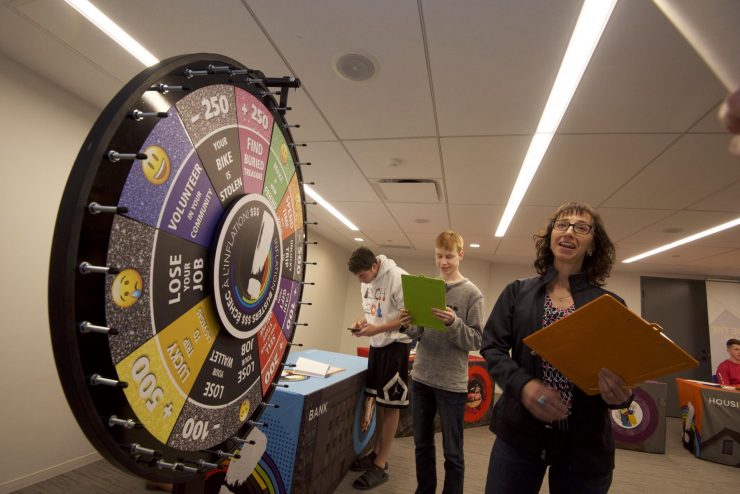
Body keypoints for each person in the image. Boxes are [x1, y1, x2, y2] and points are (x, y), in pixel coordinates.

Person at [481, 201, 633, 494]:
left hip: (584, 443)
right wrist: (524, 386)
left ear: (592, 245)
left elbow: (623, 369)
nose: (569, 232)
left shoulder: (610, 305)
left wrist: (622, 396)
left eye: (581, 227)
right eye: (561, 225)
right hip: (520, 435)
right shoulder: (518, 292)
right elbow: (492, 347)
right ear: (551, 238)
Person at [398, 230, 484, 494]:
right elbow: (419, 333)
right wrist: (407, 325)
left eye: (448, 256)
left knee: (453, 452)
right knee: (422, 445)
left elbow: (476, 340)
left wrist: (453, 322)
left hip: (451, 385)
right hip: (422, 378)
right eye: (439, 256)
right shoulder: (428, 288)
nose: (443, 262)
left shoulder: (472, 294)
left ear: (460, 255)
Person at [347, 246, 412, 490]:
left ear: (374, 266)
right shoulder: (365, 281)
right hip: (377, 346)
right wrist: (361, 324)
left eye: (363, 275)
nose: (361, 280)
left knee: (391, 405)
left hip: (396, 348)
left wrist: (376, 329)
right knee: (378, 403)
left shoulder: (398, 277)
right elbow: (374, 314)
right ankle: (375, 454)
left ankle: (381, 465)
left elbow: (408, 318)